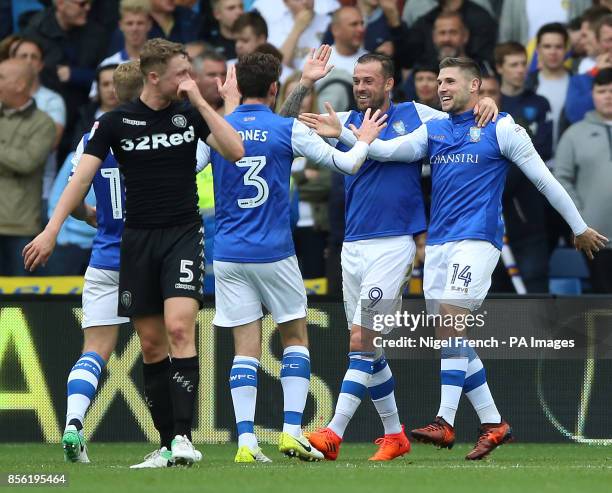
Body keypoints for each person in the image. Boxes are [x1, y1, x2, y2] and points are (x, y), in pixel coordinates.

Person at [317, 56, 607, 460]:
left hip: (478, 240)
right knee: (450, 337)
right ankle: (493, 423)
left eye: (450, 81)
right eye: (439, 81)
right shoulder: (432, 130)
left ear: (476, 87)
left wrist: (578, 227)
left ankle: (445, 420)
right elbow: (383, 151)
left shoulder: (501, 127)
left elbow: (544, 178)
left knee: (451, 324)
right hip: (437, 246)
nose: (442, 87)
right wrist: (345, 135)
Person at [23, 38, 244, 467]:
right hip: (136, 242)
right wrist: (51, 231)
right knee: (151, 345)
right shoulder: (115, 123)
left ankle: (183, 437)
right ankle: (166, 444)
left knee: (181, 328)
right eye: (182, 72)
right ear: (154, 76)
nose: (189, 78)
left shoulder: (188, 115)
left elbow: (236, 151)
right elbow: (79, 181)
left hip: (182, 233)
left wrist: (201, 99)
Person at [298, 52, 499, 461]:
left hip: (395, 244)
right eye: (356, 80)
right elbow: (292, 133)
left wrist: (487, 104)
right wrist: (306, 86)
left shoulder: (419, 115)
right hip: (352, 244)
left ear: (389, 83)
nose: (360, 87)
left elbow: (462, 116)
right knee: (364, 348)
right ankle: (395, 434)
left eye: (368, 80)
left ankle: (333, 433)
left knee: (362, 338)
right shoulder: (344, 122)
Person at [197, 48, 386, 463]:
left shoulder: (217, 131)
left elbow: (189, 170)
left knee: (244, 348)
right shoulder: (288, 130)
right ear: (273, 88)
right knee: (295, 338)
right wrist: (365, 140)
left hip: (227, 253)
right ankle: (290, 432)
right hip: (275, 252)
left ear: (234, 87)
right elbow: (348, 164)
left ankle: (246, 442)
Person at [555, 68, 612, 293]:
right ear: (592, 94)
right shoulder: (574, 134)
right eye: (602, 90)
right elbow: (561, 179)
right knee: (601, 305)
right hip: (595, 237)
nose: (608, 95)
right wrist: (579, 217)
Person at [0, 59, 55, 276]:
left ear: (20, 85)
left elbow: (26, 162)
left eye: (2, 77)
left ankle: (10, 314)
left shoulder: (43, 123)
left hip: (19, 225)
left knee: (16, 301)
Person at [88, 0, 152, 99]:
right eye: (129, 23)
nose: (134, 28)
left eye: (140, 23)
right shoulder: (107, 65)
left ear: (149, 25)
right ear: (121, 25)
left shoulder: (158, 63)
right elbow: (96, 101)